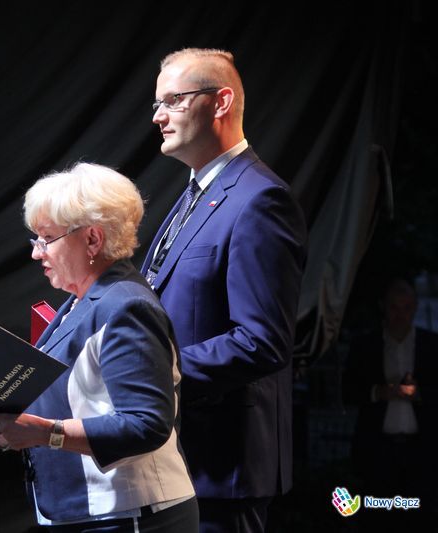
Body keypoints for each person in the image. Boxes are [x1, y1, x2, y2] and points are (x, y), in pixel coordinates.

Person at [0, 162, 198, 532]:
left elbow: (147, 424)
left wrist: (47, 433)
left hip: (132, 516)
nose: (36, 253)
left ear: (92, 239)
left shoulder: (126, 307)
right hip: (81, 512)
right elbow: (71, 403)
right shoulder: (80, 301)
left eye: (46, 238)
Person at [138, 48, 307, 533]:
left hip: (223, 469)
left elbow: (262, 340)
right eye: (157, 104)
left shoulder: (260, 200)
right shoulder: (197, 193)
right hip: (175, 460)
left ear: (221, 102)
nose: (158, 117)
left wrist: (155, 371)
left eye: (173, 100)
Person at [342, 276, 437, 530]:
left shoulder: (432, 345)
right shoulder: (365, 345)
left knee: (420, 520)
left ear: (415, 308)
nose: (400, 315)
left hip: (421, 452)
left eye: (406, 308)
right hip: (377, 451)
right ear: (383, 306)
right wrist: (378, 392)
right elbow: (347, 391)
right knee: (379, 520)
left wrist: (419, 394)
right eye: (394, 307)